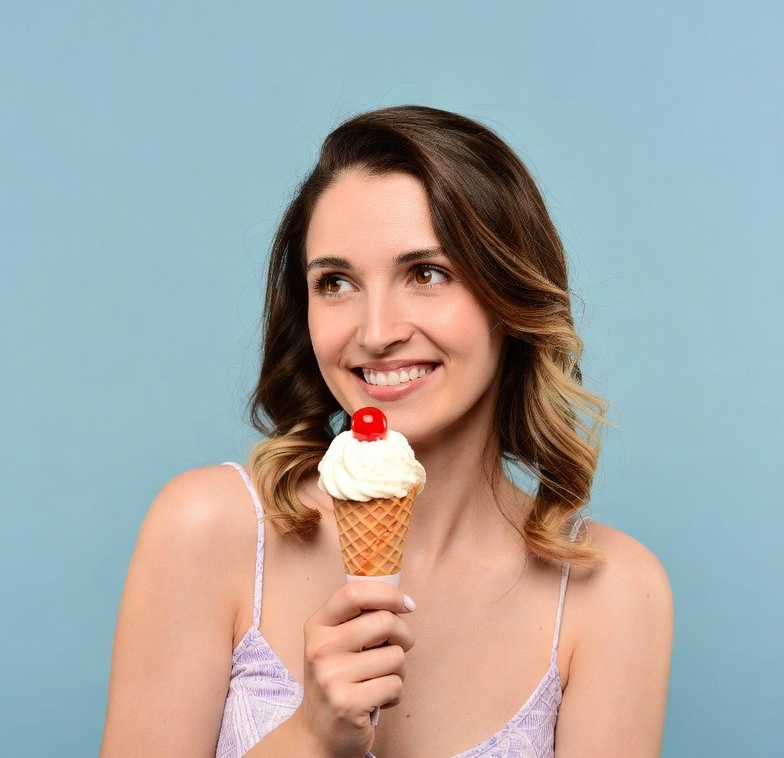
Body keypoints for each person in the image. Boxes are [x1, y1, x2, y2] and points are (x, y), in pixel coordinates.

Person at [100, 105, 673, 758]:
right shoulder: (208, 529)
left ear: (510, 295)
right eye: (336, 282)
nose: (375, 333)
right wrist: (310, 737)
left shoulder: (612, 594)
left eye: (426, 273)